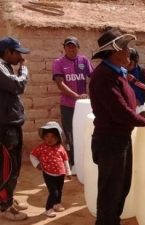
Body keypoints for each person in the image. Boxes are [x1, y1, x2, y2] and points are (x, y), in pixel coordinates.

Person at [89, 27, 145, 225]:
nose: (129, 51)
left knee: (120, 187)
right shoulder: (105, 76)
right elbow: (118, 111)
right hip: (110, 141)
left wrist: (138, 113)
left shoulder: (116, 73)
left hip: (119, 138)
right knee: (110, 192)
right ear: (114, 51)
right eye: (125, 47)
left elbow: (122, 106)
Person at [52, 36, 93, 172]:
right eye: (68, 46)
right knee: (70, 135)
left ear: (78, 47)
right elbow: (60, 83)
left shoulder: (84, 60)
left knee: (85, 132)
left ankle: (85, 162)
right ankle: (73, 163)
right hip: (68, 106)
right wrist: (76, 97)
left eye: (74, 46)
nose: (71, 49)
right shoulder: (59, 62)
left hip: (84, 106)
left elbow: (92, 77)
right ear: (64, 48)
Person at [0, 36, 30, 221]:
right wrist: (24, 70)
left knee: (13, 164)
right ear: (7, 52)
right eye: (17, 52)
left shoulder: (5, 66)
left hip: (9, 124)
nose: (20, 57)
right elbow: (17, 85)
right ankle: (5, 207)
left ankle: (8, 198)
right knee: (7, 167)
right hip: (4, 126)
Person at [30, 121, 72, 218]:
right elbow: (32, 155)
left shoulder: (61, 148)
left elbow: (65, 160)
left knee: (60, 190)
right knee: (54, 192)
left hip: (60, 174)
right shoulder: (41, 148)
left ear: (58, 138)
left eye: (53, 137)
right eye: (47, 136)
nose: (49, 139)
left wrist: (68, 172)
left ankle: (57, 204)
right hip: (48, 174)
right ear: (43, 137)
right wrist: (37, 164)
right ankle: (48, 209)